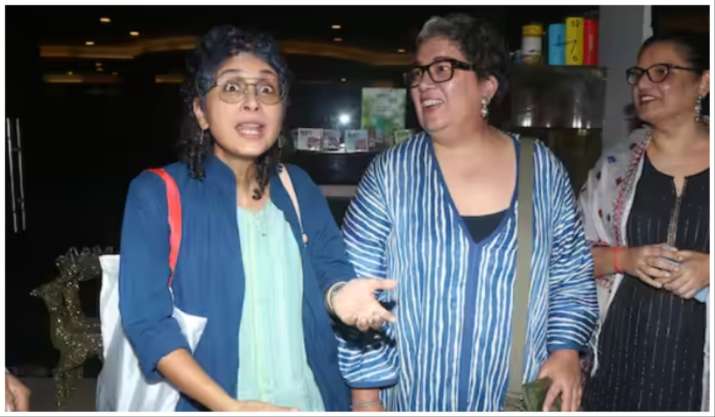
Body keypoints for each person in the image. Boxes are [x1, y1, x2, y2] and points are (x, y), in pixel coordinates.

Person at [117, 24, 392, 412]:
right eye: (232, 87)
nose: (252, 102)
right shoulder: (156, 193)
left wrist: (339, 296)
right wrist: (229, 406)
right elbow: (148, 322)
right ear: (201, 111)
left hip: (311, 402)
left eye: (266, 88)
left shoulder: (298, 187)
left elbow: (329, 268)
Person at [331, 13, 598, 412]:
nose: (423, 84)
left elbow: (571, 274)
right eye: (418, 73)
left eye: (442, 69)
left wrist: (566, 351)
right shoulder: (391, 172)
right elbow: (358, 286)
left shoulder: (541, 169)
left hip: (511, 396)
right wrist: (365, 396)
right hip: (409, 397)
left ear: (487, 85)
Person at [579, 33, 710, 411]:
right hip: (619, 363)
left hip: (698, 376)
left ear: (704, 82)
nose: (643, 84)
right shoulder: (615, 167)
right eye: (638, 74)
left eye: (661, 71)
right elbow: (566, 258)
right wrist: (626, 259)